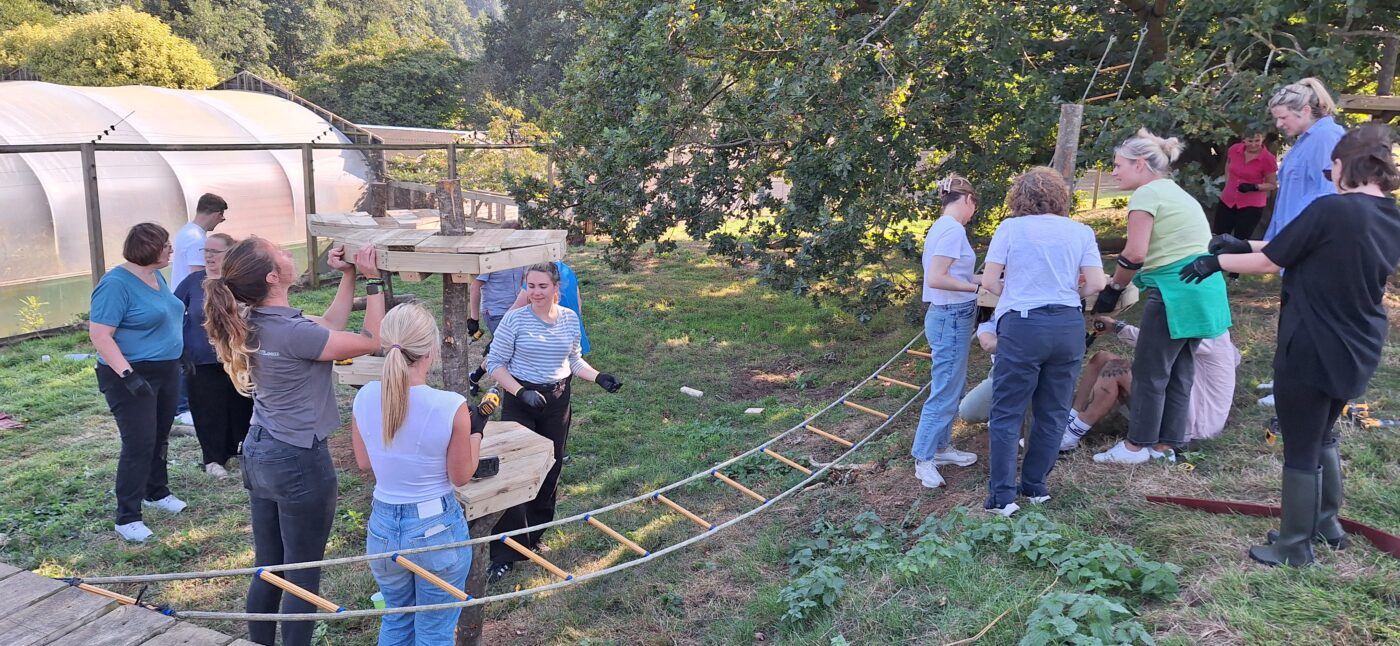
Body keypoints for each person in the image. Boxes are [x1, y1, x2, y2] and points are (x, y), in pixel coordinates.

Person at [1180, 123, 1400, 567]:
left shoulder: (1333, 209)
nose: (1329, 175)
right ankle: (1325, 525)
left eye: (1331, 167)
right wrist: (1243, 241)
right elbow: (1294, 246)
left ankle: (1294, 546)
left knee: (1300, 443)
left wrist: (1215, 261)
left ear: (1346, 165)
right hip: (1359, 342)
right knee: (1324, 433)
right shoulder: (1389, 216)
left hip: (1312, 342)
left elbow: (1270, 260)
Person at [203, 239, 384, 646]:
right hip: (298, 460)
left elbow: (328, 330)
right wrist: (374, 284)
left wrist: (349, 274)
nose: (289, 254)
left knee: (268, 566)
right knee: (303, 574)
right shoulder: (292, 332)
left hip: (260, 450)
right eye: (281, 253)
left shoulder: (254, 319)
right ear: (273, 276)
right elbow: (370, 340)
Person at [351, 303, 491, 645]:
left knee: (397, 620)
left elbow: (364, 462)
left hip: (383, 527)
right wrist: (476, 431)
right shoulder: (449, 405)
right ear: (430, 350)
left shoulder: (366, 395)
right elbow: (461, 475)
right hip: (435, 528)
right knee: (435, 631)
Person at [1091, 129, 1231, 466]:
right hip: (1206, 291)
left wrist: (1113, 289)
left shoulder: (1147, 194)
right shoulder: (1177, 193)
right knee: (1181, 371)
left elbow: (1135, 254)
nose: (1114, 171)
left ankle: (1136, 446)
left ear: (1140, 164)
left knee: (1151, 371)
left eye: (1118, 165)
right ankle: (1166, 445)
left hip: (1175, 292)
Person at [484, 262, 624, 583]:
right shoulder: (514, 319)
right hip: (522, 401)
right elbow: (496, 363)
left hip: (558, 399)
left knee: (550, 467)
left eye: (541, 286)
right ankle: (506, 551)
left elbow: (573, 360)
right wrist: (521, 392)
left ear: (555, 288)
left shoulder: (569, 319)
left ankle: (534, 536)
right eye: (530, 286)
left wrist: (598, 377)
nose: (535, 292)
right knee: (516, 473)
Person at [979, 167, 1106, 516]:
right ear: (1060, 197)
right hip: (1067, 323)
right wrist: (1070, 291)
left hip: (1023, 324)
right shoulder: (1081, 231)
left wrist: (1015, 292)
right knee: (1053, 411)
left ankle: (1002, 497)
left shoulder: (1010, 228)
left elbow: (990, 280)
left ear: (1018, 198)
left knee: (1007, 412)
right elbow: (1096, 284)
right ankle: (1036, 486)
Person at [89, 223, 187, 543]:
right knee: (139, 442)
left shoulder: (154, 275)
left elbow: (165, 315)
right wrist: (128, 375)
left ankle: (156, 492)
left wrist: (179, 353)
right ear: (147, 248)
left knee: (160, 435)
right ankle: (127, 516)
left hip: (167, 370)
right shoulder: (116, 284)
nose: (171, 249)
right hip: (129, 375)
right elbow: (100, 336)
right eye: (165, 245)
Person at [1060, 316, 1240, 451]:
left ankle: (1071, 436)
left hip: (1192, 425)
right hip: (1184, 401)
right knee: (1102, 358)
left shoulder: (1208, 334)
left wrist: (1117, 327)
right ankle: (1069, 419)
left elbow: (1158, 343)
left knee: (1116, 369)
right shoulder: (1215, 327)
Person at [910, 174, 982, 489]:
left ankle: (941, 448)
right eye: (974, 207)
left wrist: (975, 282)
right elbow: (937, 278)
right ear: (967, 200)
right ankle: (923, 458)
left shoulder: (944, 226)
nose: (973, 213)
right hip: (951, 315)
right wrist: (974, 286)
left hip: (951, 313)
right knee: (944, 391)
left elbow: (948, 272)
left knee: (952, 384)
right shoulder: (953, 230)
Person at [174, 233, 250, 477]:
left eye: (214, 252)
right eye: (205, 252)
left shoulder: (240, 282)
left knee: (241, 405)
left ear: (230, 253)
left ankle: (242, 450)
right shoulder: (193, 282)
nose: (208, 256)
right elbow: (173, 312)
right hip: (201, 359)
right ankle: (213, 460)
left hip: (238, 357)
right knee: (207, 409)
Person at [1263, 78, 1345, 241]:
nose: (1278, 124)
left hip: (1308, 246)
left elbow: (1330, 197)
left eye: (1284, 117)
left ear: (1306, 110)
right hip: (1291, 244)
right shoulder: (1305, 140)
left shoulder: (1326, 137)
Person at [172, 193, 228, 426]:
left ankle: (184, 404)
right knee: (195, 353)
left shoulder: (186, 231)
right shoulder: (197, 239)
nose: (220, 222)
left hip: (184, 300)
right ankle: (184, 406)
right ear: (216, 214)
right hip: (194, 302)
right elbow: (199, 273)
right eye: (222, 217)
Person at [467, 222, 528, 394]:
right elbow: (474, 287)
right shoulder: (492, 258)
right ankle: (513, 389)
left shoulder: (521, 256)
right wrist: (474, 319)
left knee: (502, 348)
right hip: (496, 312)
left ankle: (475, 377)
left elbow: (525, 282)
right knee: (511, 349)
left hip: (516, 309)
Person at [1214, 132, 1278, 278]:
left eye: (1257, 140)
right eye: (1250, 141)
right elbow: (1228, 165)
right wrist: (1228, 183)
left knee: (1241, 238)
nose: (1254, 144)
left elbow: (1272, 184)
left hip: (1251, 204)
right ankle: (1215, 267)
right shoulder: (1234, 149)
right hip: (1228, 199)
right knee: (1219, 233)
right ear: (1243, 140)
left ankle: (1234, 274)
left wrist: (1254, 187)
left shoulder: (1267, 159)